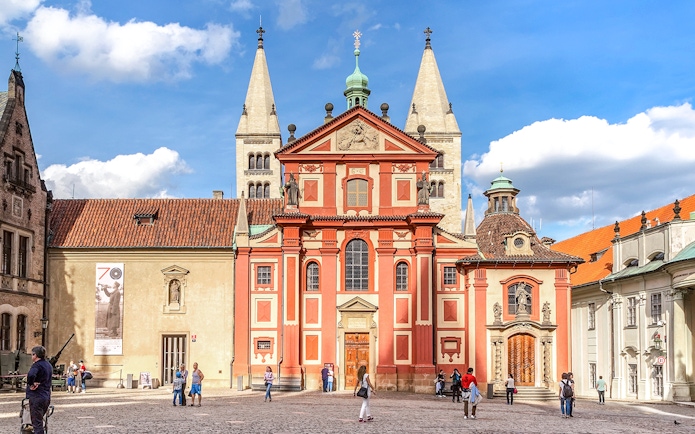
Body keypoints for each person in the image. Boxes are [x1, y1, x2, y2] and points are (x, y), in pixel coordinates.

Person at [26, 345, 52, 434]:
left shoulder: (36, 365)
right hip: (46, 396)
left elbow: (31, 375)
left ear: (35, 355)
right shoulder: (48, 365)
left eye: (32, 354)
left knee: (37, 424)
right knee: (40, 420)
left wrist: (31, 384)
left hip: (37, 396)